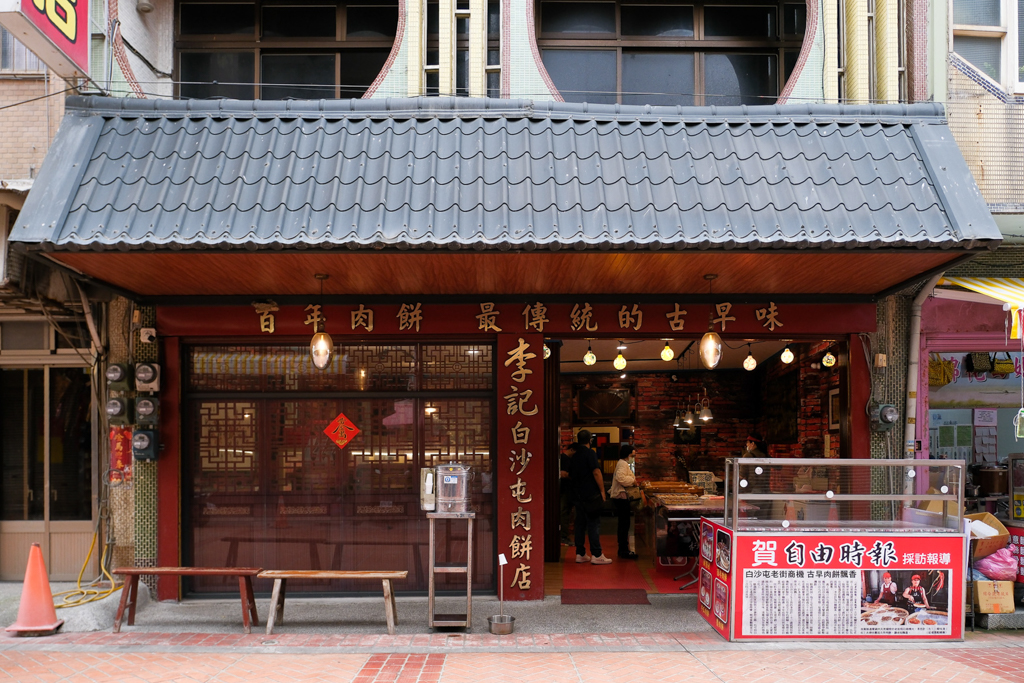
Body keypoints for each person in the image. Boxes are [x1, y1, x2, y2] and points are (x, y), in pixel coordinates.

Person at [569, 430, 612, 565]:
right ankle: (597, 554)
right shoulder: (590, 453)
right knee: (593, 524)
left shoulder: (574, 455)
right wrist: (602, 491)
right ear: (590, 440)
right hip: (590, 494)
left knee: (580, 525)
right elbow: (596, 472)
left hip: (577, 495)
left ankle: (580, 553)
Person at [609, 444, 638, 559]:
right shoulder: (623, 464)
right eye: (632, 455)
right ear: (628, 454)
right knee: (624, 524)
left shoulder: (622, 463)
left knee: (624, 523)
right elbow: (620, 478)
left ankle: (623, 549)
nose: (633, 457)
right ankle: (623, 550)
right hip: (621, 498)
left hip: (620, 497)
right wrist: (633, 481)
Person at [559, 443, 575, 545]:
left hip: (565, 490)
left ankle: (564, 535)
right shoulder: (564, 459)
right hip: (564, 490)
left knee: (565, 513)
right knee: (564, 513)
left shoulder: (564, 458)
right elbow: (563, 474)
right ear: (572, 450)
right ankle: (563, 536)